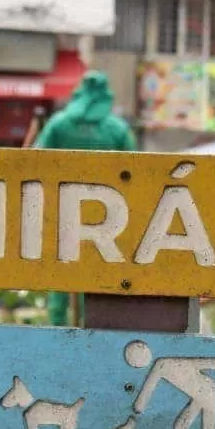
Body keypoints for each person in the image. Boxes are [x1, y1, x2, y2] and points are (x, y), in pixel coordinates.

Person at [34, 71, 138, 326]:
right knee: (94, 274)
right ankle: (90, 331)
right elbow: (139, 171)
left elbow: (34, 162)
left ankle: (57, 332)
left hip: (61, 211)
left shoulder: (58, 125)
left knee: (60, 272)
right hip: (105, 216)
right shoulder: (117, 130)